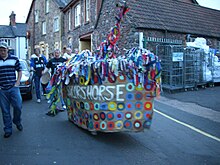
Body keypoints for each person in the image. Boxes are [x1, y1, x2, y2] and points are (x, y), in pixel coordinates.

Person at [0, 41, 23, 138]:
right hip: (2, 89)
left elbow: (20, 70)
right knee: (5, 110)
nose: (2, 52)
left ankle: (17, 121)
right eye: (0, 50)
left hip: (13, 87)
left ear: (7, 50)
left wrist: (17, 82)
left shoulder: (14, 59)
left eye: (4, 50)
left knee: (18, 106)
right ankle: (8, 129)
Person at [42, 49, 67, 116]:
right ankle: (52, 100)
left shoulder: (63, 60)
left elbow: (67, 67)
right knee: (49, 89)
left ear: (60, 53)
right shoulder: (51, 61)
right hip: (53, 78)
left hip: (60, 79)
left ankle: (63, 104)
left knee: (60, 92)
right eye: (55, 53)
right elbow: (47, 68)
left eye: (58, 53)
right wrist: (43, 72)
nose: (57, 54)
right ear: (54, 54)